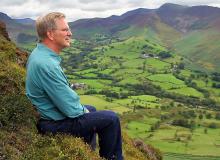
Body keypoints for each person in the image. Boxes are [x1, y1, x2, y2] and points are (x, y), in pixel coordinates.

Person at [25, 12, 123, 160]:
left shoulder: (40, 54)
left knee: (93, 109)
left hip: (49, 116)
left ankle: (86, 152)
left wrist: (86, 112)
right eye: (65, 30)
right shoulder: (46, 65)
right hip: (52, 123)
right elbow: (71, 109)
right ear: (50, 34)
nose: (70, 33)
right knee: (111, 119)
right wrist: (85, 112)